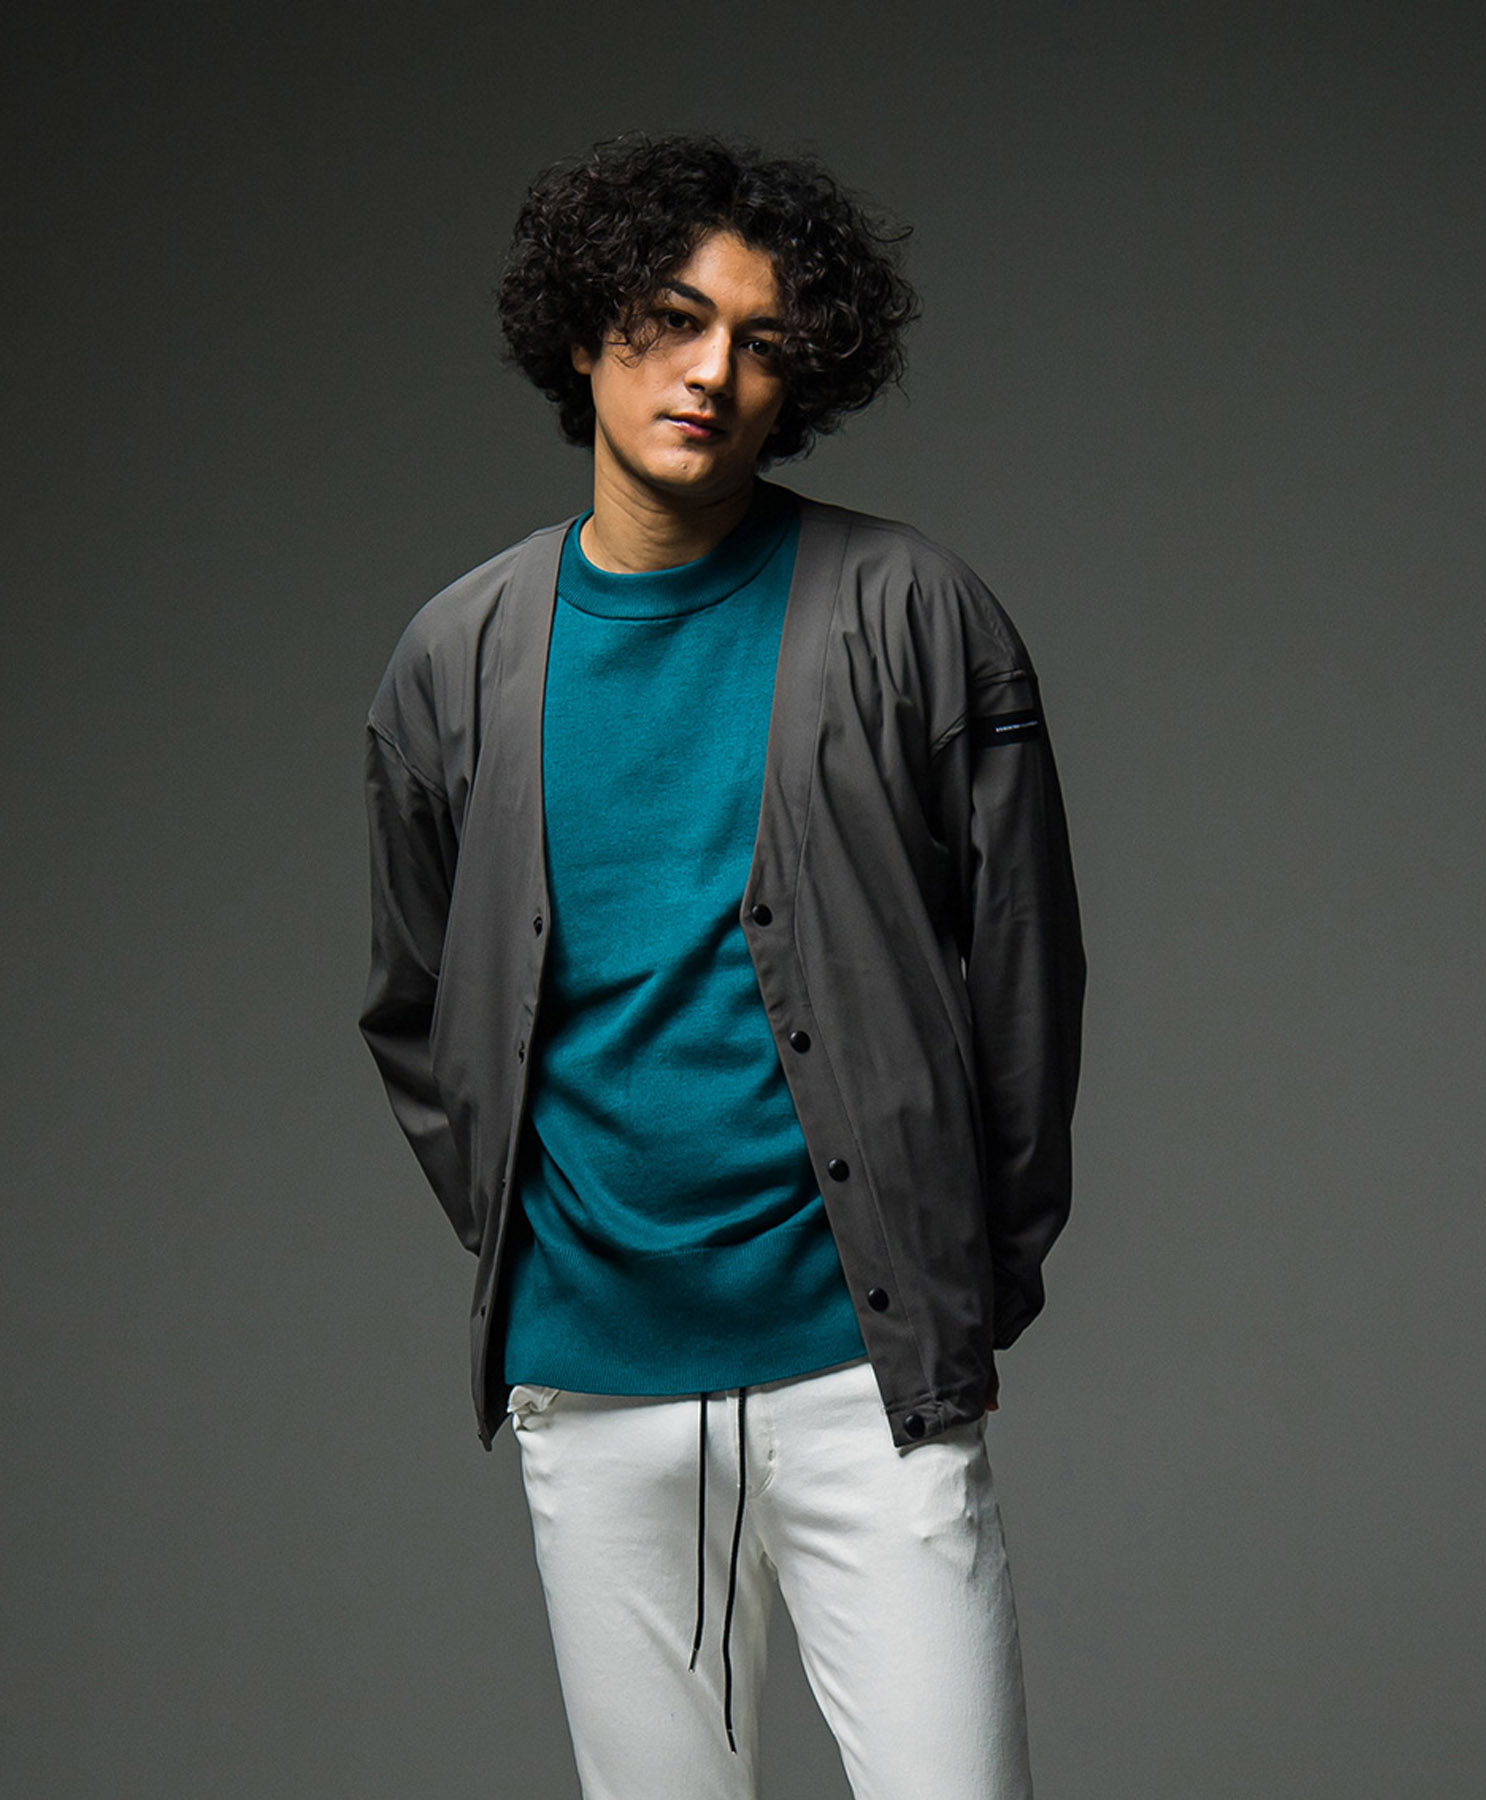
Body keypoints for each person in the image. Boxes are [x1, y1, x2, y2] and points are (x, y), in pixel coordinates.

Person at [359, 130, 1085, 1800]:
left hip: (863, 1369)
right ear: (583, 331)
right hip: (596, 1384)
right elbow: (420, 1009)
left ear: (801, 376)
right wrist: (550, 1238)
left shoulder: (913, 612)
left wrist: (967, 1272)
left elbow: (1026, 982)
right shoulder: (455, 658)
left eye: (760, 341)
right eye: (673, 321)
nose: (711, 373)